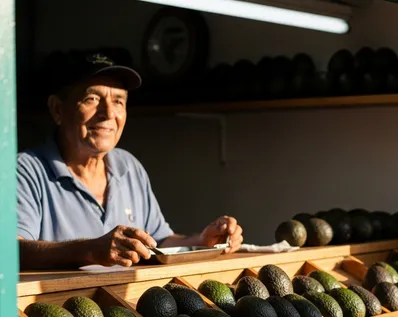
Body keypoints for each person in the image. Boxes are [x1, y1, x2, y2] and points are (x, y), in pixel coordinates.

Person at [16, 52, 244, 270]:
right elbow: (11, 250)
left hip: (128, 307)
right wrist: (91, 250)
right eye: (92, 98)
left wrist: (202, 241)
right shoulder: (24, 171)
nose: (108, 113)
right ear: (57, 109)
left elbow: (159, 242)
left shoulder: (128, 166)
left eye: (118, 101)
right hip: (61, 309)